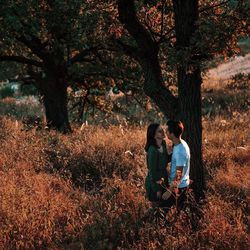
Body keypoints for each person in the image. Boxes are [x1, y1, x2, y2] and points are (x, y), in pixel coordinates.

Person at [163, 120, 191, 211]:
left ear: (171, 134)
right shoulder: (179, 143)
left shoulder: (180, 150)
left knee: (165, 210)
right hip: (178, 186)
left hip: (179, 188)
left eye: (167, 130)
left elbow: (179, 174)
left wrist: (169, 191)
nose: (165, 132)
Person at [144, 123, 172, 207]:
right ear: (154, 135)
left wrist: (176, 151)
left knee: (164, 206)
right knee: (156, 209)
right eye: (160, 131)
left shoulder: (163, 143)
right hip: (154, 183)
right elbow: (152, 171)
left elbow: (165, 160)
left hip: (164, 178)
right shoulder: (152, 150)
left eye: (162, 130)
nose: (163, 132)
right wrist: (157, 189)